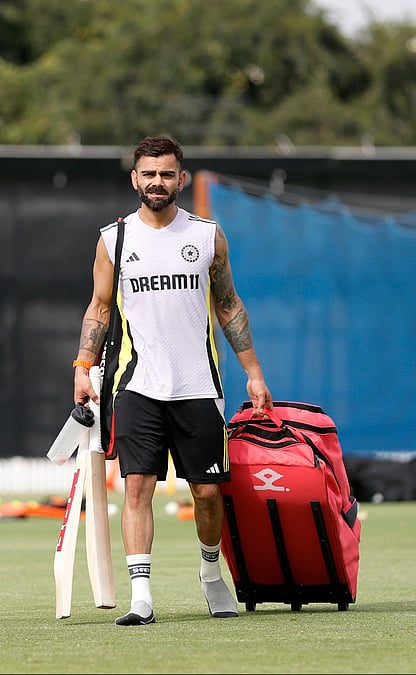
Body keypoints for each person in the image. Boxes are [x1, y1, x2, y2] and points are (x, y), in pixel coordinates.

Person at [73, 135, 273, 626]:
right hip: (136, 385)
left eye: (166, 174)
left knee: (206, 494)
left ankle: (210, 576)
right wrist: (82, 366)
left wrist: (253, 373)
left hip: (199, 387)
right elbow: (99, 308)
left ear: (180, 180)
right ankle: (141, 597)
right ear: (135, 179)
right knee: (136, 488)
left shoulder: (207, 236)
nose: (157, 182)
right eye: (148, 173)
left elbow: (229, 306)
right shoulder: (113, 239)